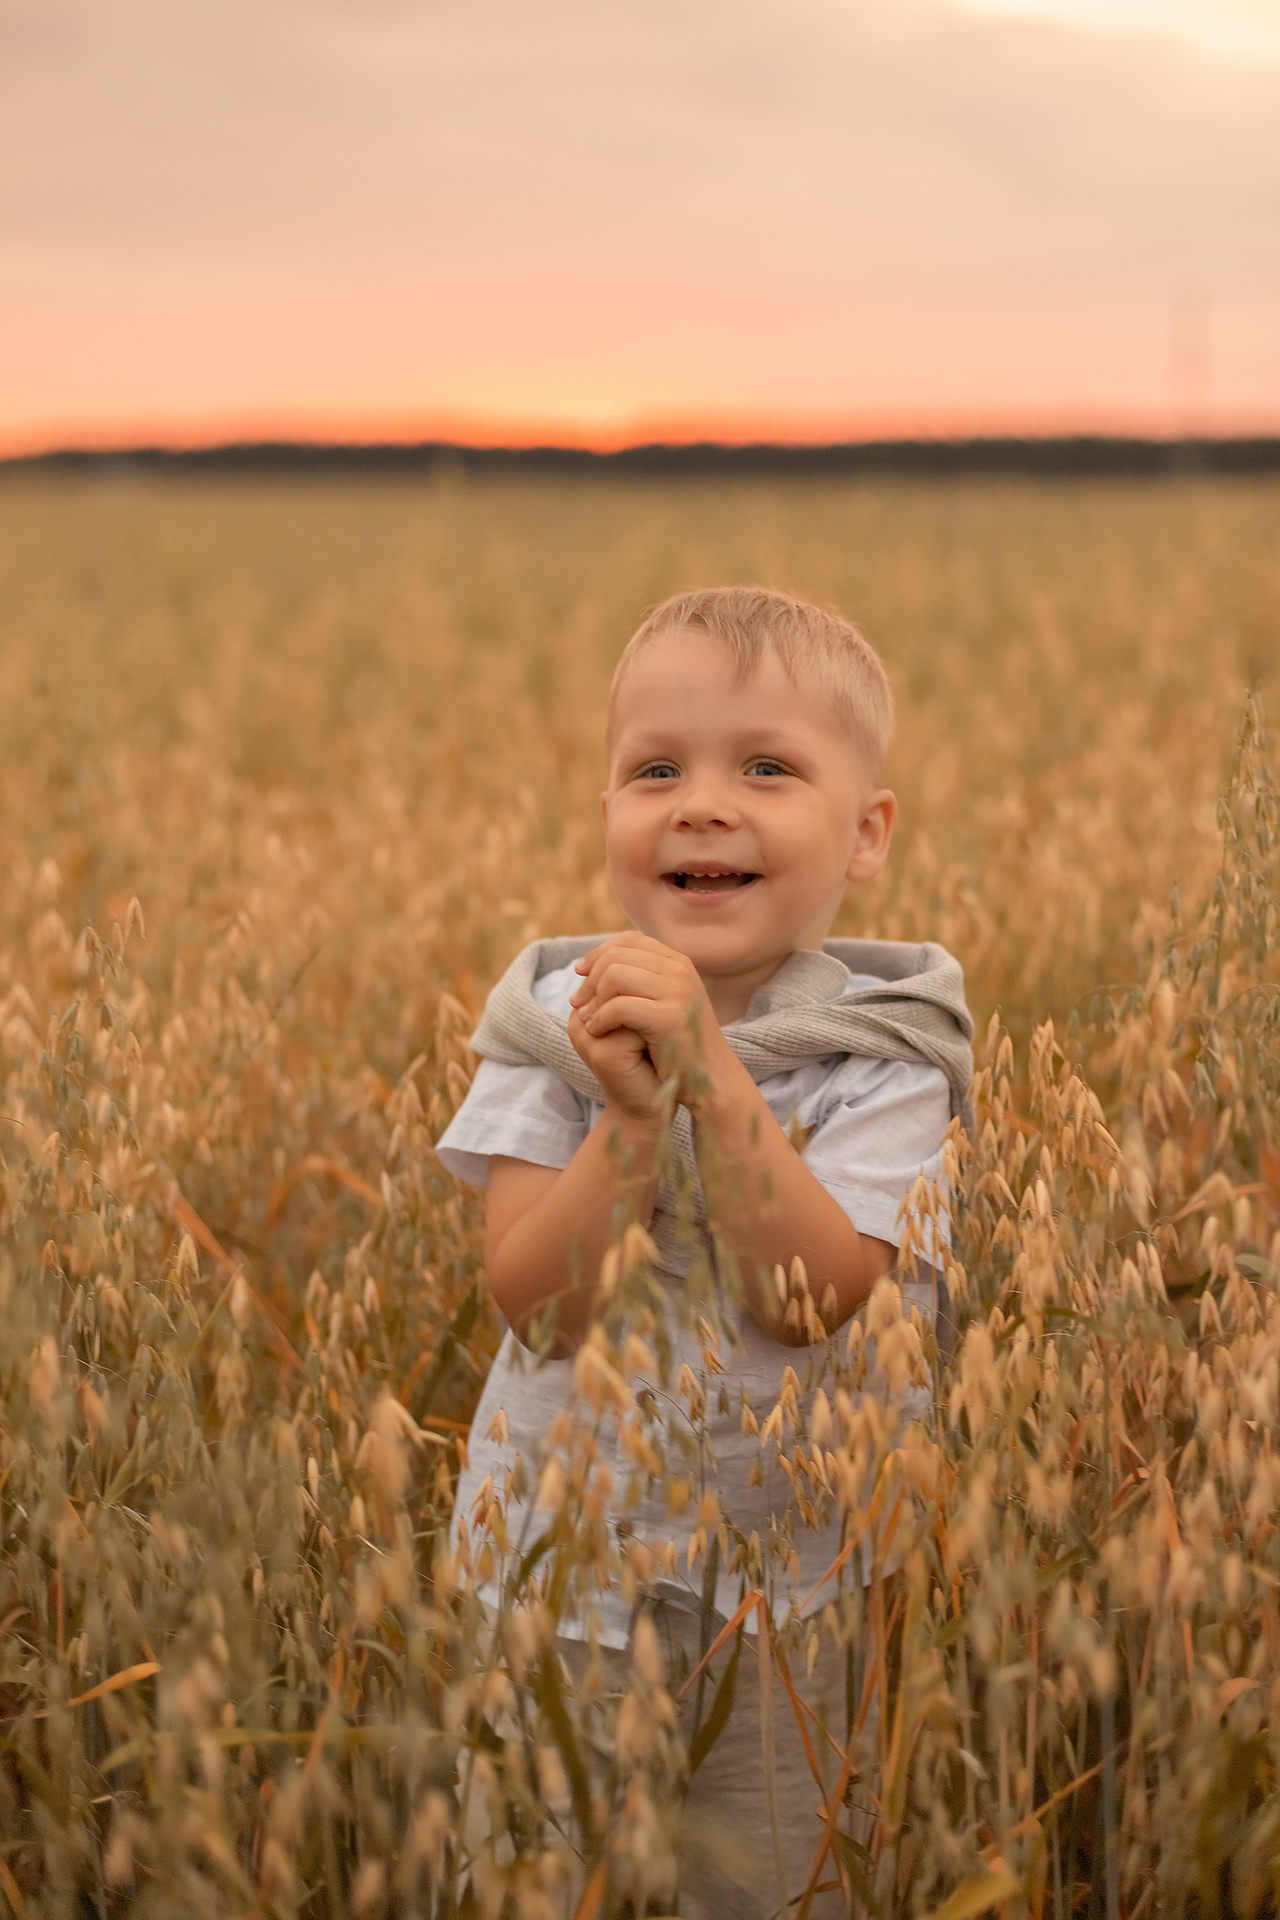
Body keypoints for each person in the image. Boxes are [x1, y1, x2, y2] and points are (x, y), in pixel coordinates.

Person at [435, 586, 973, 1918]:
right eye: (655, 769)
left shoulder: (886, 1055)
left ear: (867, 835)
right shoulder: (554, 1028)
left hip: (785, 1595)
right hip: (555, 1585)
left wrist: (711, 1077)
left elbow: (811, 1299)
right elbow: (537, 1308)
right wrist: (627, 1120)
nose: (702, 803)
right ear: (607, 811)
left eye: (767, 767)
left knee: (773, 1891)